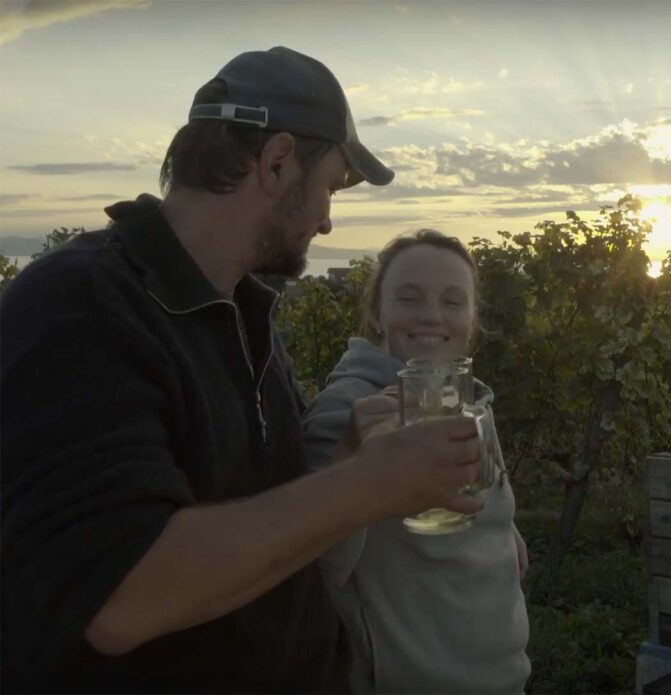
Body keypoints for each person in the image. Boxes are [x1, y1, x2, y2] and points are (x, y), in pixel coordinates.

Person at [0, 47, 483, 692]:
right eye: (332, 186)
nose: (329, 220)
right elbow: (121, 597)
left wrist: (341, 460)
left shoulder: (240, 312)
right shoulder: (78, 305)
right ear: (277, 160)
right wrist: (369, 486)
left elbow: (250, 513)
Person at [302, 230, 531, 693]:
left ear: (472, 317)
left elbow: (492, 538)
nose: (431, 316)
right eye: (409, 298)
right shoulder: (351, 412)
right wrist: (353, 464)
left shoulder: (465, 401)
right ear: (378, 313)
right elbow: (311, 577)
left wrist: (503, 534)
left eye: (452, 301)